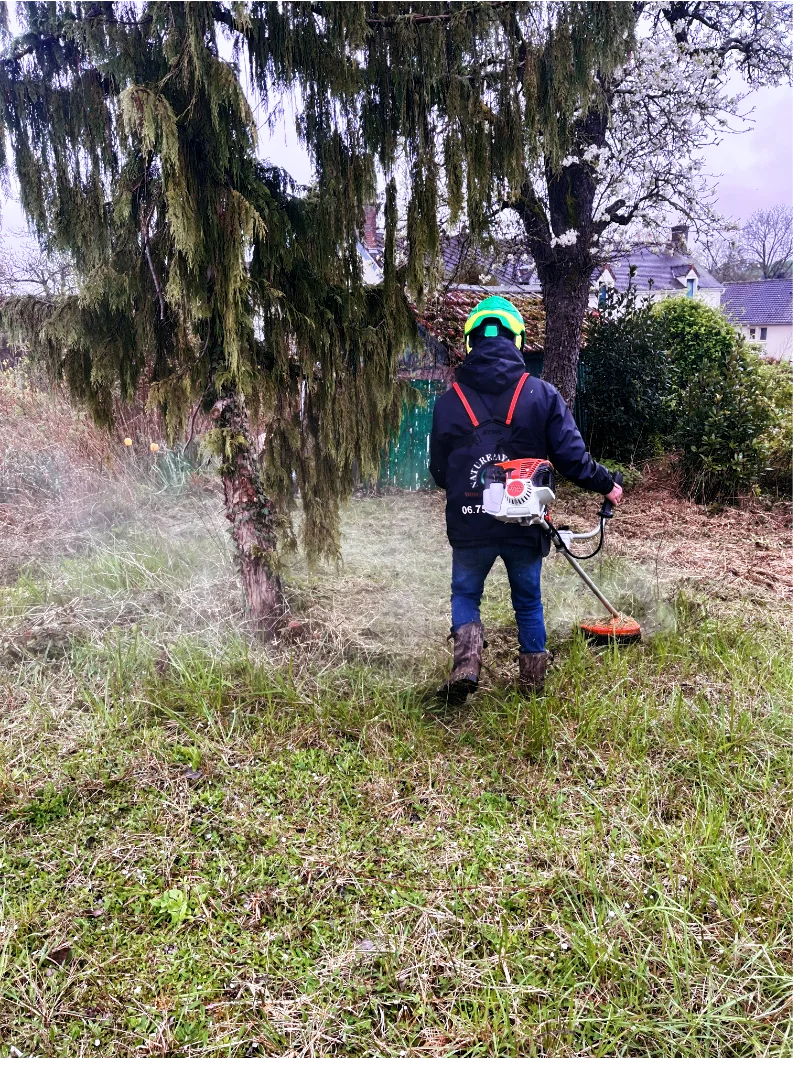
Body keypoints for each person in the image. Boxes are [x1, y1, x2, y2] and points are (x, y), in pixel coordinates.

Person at [429, 295, 622, 702]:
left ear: (471, 343)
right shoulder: (542, 395)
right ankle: (532, 683)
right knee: (528, 602)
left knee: (466, 594)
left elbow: (438, 472)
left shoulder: (448, 403)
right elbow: (572, 459)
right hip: (525, 522)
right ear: (517, 340)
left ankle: (466, 664)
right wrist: (607, 484)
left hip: (469, 521)